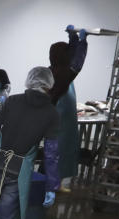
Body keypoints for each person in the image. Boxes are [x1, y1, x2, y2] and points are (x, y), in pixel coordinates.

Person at [0, 67, 61, 219]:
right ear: (49, 85)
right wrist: (51, 186)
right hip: (18, 171)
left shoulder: (12, 101)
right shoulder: (52, 113)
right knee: (3, 216)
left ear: (29, 81)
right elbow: (51, 153)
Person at [48, 26, 88, 184]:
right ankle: (53, 183)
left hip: (63, 119)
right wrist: (83, 42)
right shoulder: (64, 74)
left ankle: (55, 181)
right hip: (59, 120)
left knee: (61, 150)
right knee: (59, 151)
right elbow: (78, 62)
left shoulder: (54, 70)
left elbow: (71, 55)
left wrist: (74, 38)